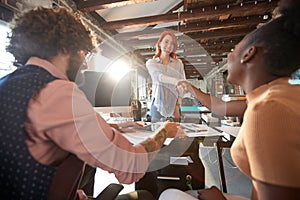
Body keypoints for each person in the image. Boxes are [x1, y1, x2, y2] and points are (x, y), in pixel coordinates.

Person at [0, 7, 182, 200]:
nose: (85, 65)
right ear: (65, 47)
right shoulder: (58, 93)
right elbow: (131, 167)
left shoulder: (7, 84)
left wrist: (116, 128)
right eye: (83, 53)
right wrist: (163, 132)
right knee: (144, 196)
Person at [160, 0, 300, 199]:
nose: (229, 56)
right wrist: (192, 89)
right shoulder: (274, 95)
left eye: (234, 49)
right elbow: (221, 108)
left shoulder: (268, 108)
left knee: (170, 196)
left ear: (249, 54)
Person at [146, 31, 186, 122]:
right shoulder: (151, 63)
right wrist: (176, 81)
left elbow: (182, 87)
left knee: (175, 134)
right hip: (157, 106)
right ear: (160, 43)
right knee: (157, 134)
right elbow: (159, 77)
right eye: (166, 41)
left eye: (172, 43)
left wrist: (177, 105)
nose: (169, 45)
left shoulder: (178, 63)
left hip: (174, 105)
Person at [176, 80, 246, 117]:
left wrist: (190, 87)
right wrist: (189, 87)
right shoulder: (252, 101)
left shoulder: (255, 103)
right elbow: (219, 107)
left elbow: (219, 107)